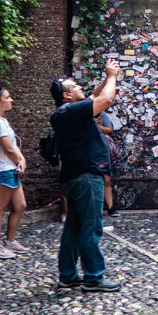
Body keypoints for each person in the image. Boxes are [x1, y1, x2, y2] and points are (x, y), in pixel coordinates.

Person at [50, 60, 122, 292]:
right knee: (91, 227)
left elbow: (94, 95)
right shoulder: (70, 111)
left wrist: (106, 77)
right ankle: (93, 277)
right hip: (86, 177)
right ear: (66, 96)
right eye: (76, 87)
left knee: (73, 227)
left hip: (76, 177)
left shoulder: (67, 111)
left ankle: (68, 275)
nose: (81, 88)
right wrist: (112, 77)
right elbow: (105, 99)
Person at [0, 86, 30, 260]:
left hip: (10, 168)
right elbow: (8, 147)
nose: (11, 100)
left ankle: (10, 241)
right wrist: (19, 161)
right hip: (1, 169)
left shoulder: (2, 121)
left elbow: (13, 145)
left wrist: (21, 160)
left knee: (20, 205)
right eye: (8, 97)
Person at [95, 110, 120, 217]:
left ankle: (110, 208)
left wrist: (97, 126)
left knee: (107, 179)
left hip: (102, 148)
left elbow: (109, 129)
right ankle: (95, 209)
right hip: (88, 148)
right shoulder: (81, 113)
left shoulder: (101, 114)